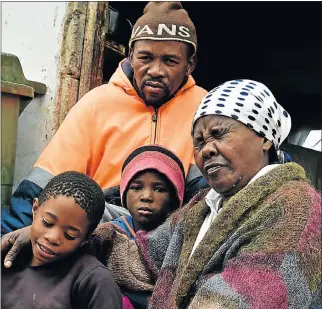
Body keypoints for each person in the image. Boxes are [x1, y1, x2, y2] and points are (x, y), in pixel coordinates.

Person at [4, 79, 320, 308]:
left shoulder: (297, 209)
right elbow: (142, 257)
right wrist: (47, 235)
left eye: (218, 134)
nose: (206, 149)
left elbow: (237, 301)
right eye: (197, 141)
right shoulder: (205, 208)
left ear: (264, 138)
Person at [1, 1, 208, 235]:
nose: (155, 70)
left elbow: (212, 194)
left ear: (190, 64)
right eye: (145, 58)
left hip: (172, 234)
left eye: (170, 60)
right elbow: (42, 188)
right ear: (130, 55)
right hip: (100, 230)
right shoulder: (97, 104)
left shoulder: (205, 109)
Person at [1, 171, 122, 309]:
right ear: (35, 208)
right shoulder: (9, 254)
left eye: (70, 235)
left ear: (86, 238)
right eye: (47, 222)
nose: (52, 238)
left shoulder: (94, 282)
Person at [112, 145, 185, 239]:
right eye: (136, 188)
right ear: (124, 193)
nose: (146, 197)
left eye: (158, 189)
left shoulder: (182, 237)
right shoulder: (109, 235)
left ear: (174, 199)